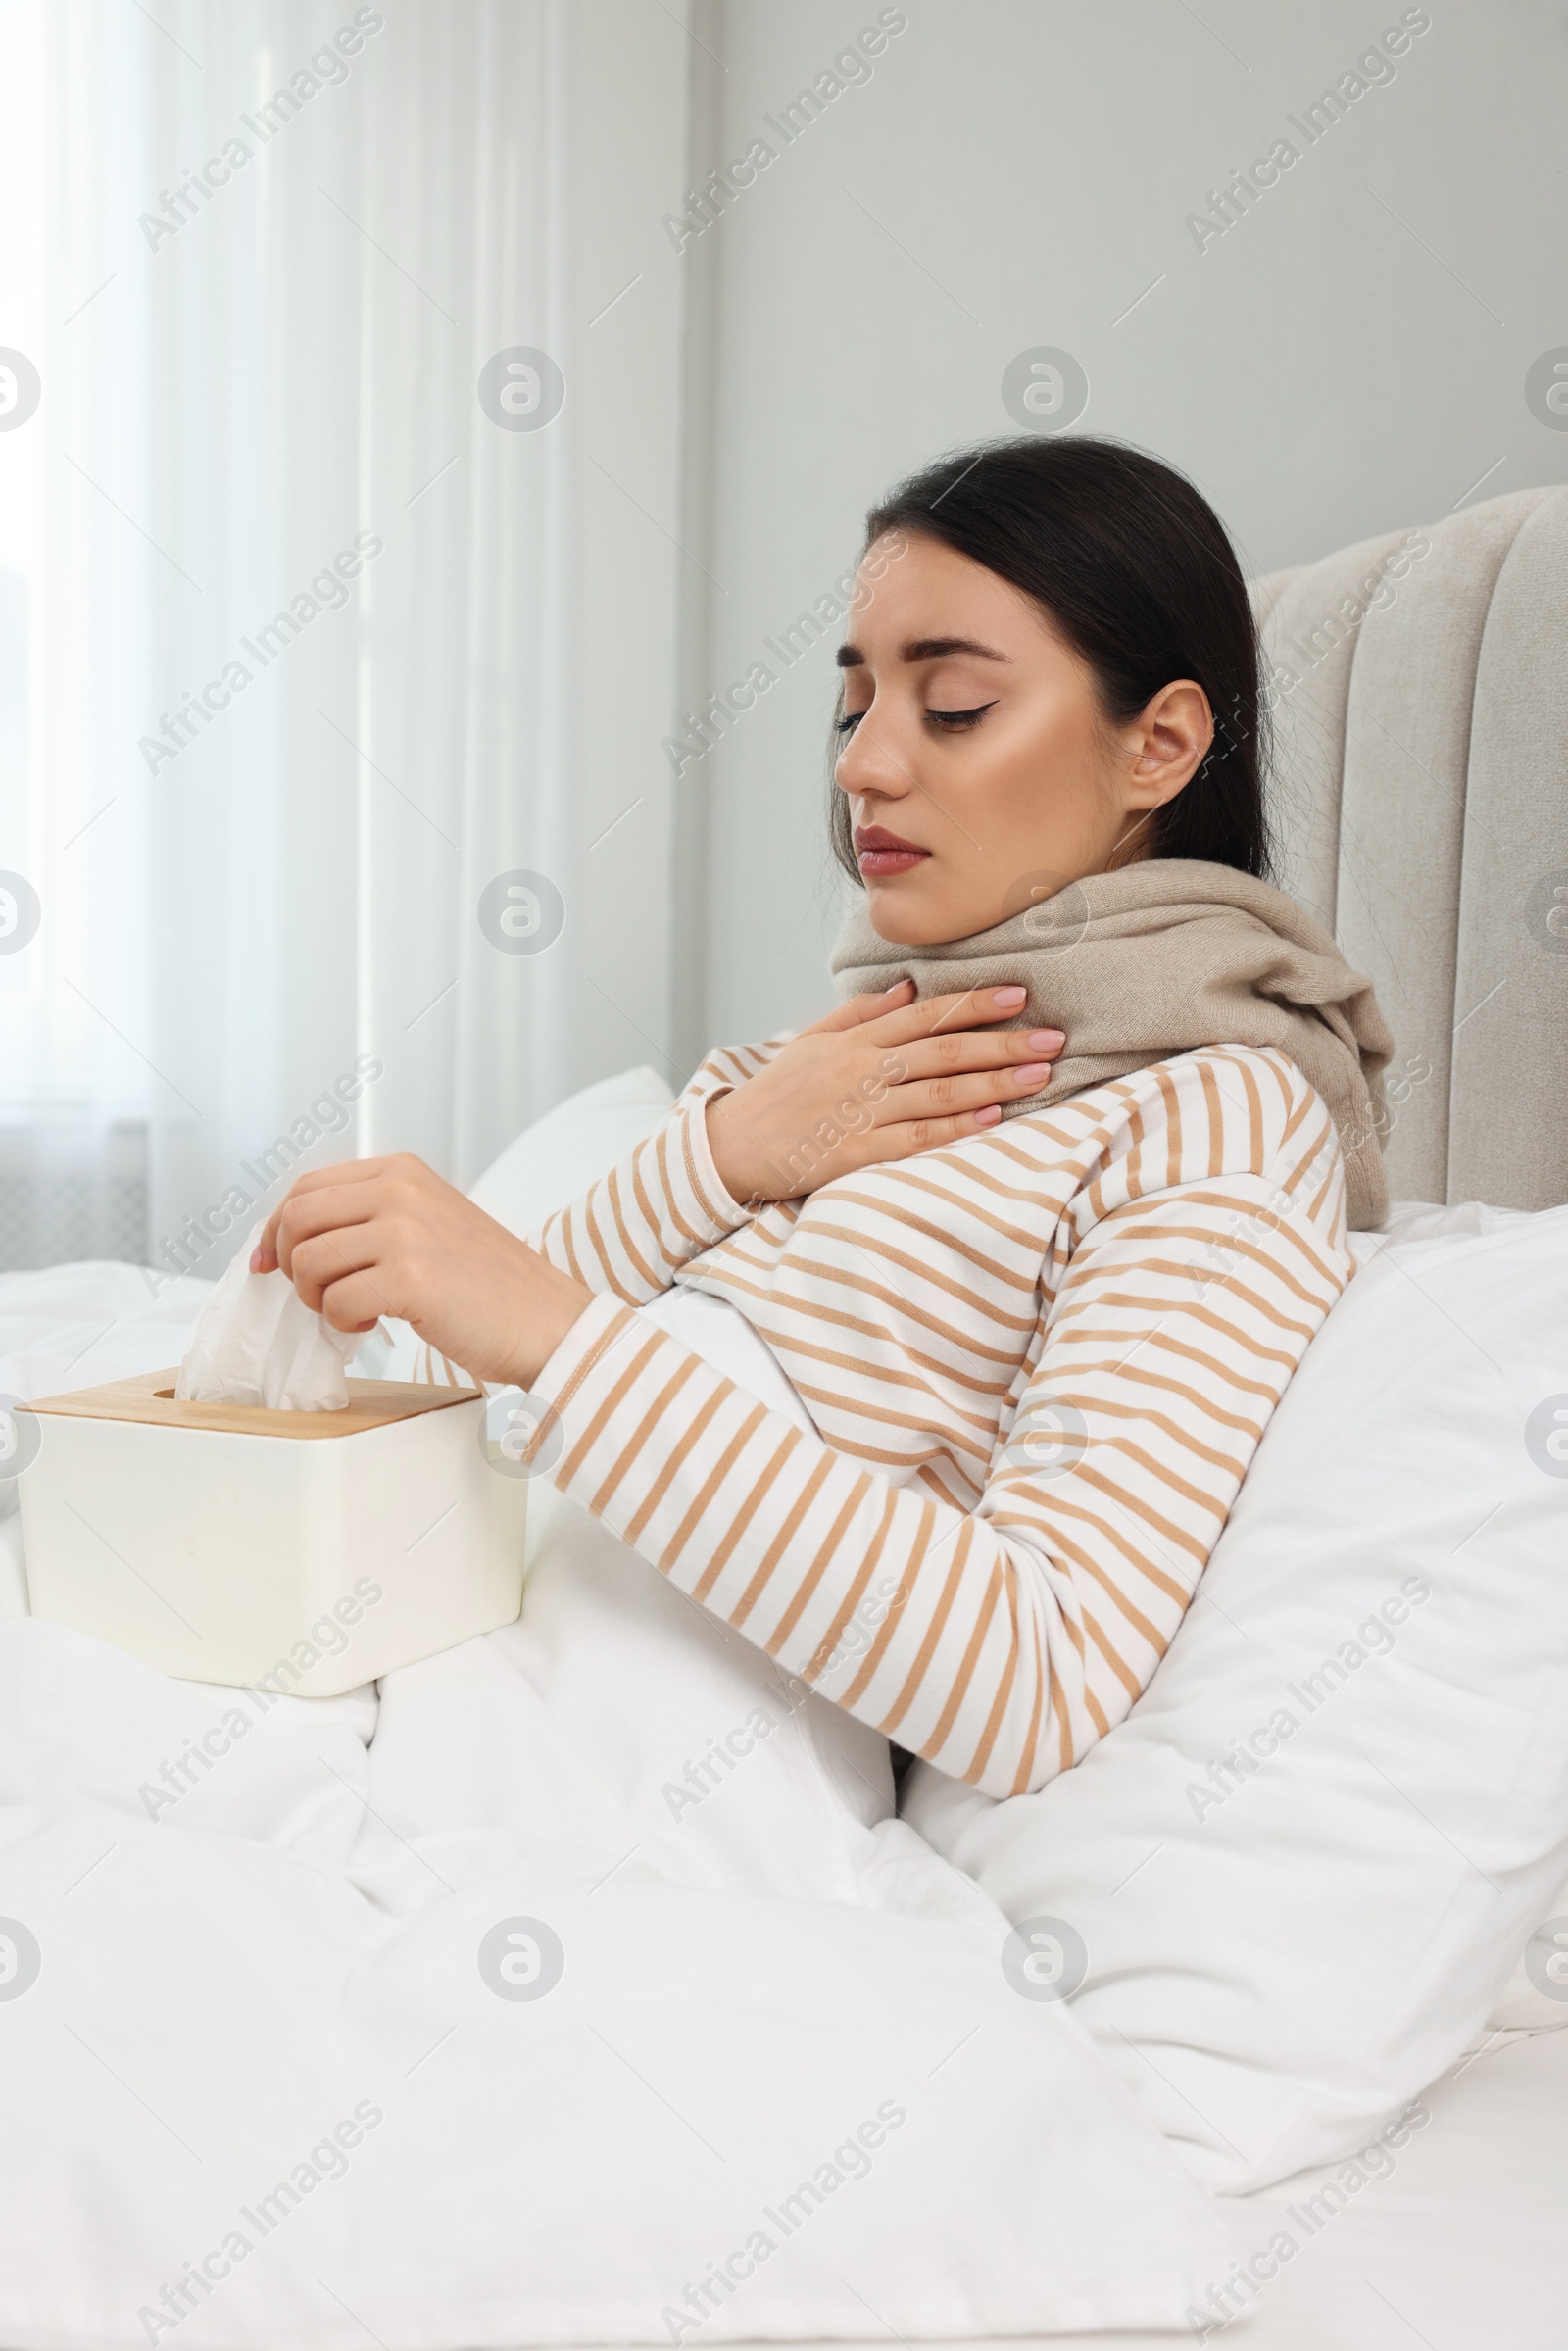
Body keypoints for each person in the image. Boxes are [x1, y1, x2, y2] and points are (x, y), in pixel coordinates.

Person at [253, 436, 1391, 1801]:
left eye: (954, 705)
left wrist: (560, 1338)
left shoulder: (1215, 1110)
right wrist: (716, 1156)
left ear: (1159, 744)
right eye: (852, 707)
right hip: (413, 1653)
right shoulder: (819, 1067)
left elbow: (1040, 1676)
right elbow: (462, 1395)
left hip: (610, 1785)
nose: (863, 768)